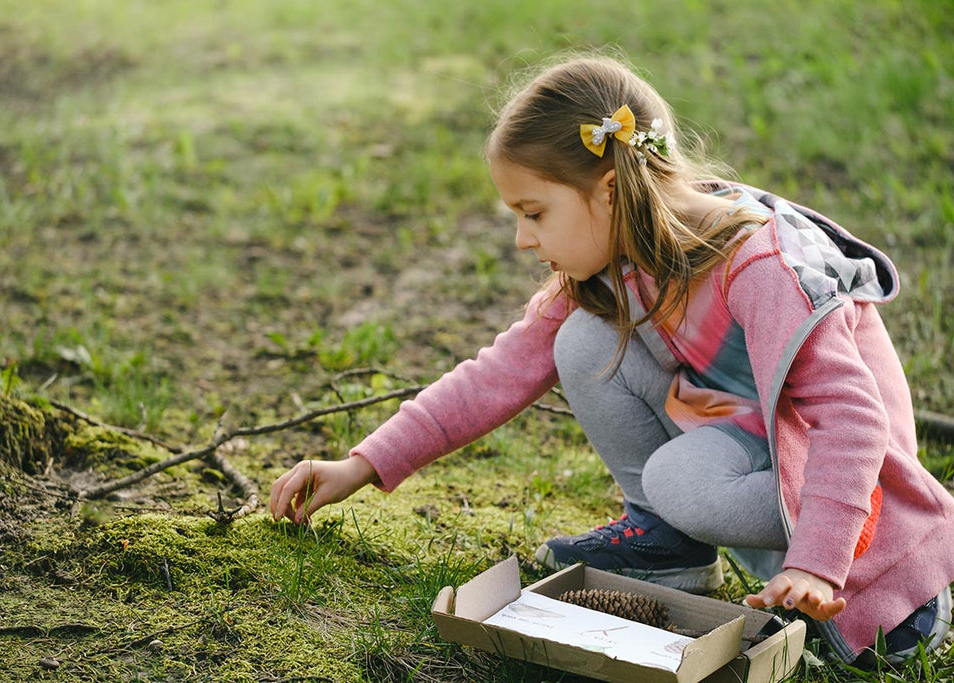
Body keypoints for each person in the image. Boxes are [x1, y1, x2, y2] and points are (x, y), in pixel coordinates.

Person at [269, 54, 954, 666]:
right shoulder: (616, 262)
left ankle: (830, 577)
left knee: (680, 478)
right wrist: (363, 462)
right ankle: (665, 544)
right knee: (583, 340)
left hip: (869, 519)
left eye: (533, 212)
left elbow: (853, 422)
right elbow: (497, 372)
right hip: (765, 450)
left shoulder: (761, 265)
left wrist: (820, 566)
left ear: (607, 188)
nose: (519, 238)